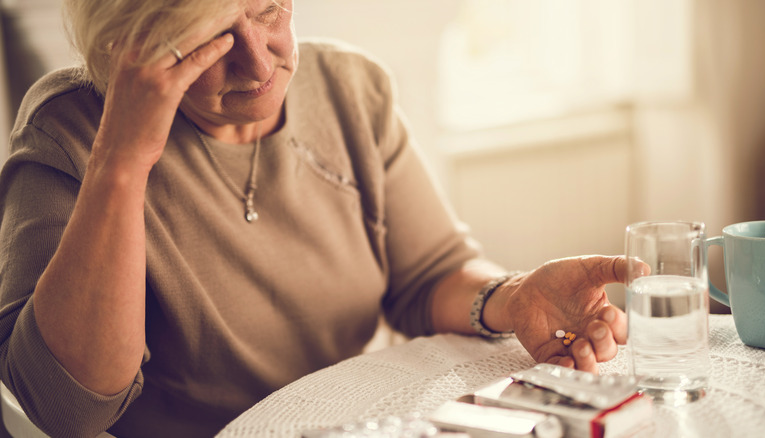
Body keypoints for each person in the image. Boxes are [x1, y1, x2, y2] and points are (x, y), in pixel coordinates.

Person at [0, 0, 630, 436]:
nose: (258, 60)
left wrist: (515, 296)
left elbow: (428, 275)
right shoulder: (69, 132)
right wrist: (123, 163)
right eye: (206, 40)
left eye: (266, 9)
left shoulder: (349, 87)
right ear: (126, 53)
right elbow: (68, 408)